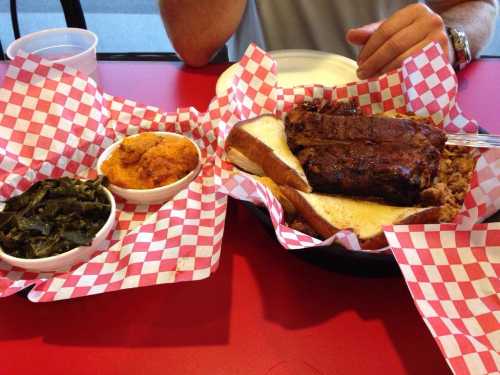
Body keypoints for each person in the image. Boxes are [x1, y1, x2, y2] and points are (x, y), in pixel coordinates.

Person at [158, 0, 498, 78]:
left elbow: (477, 5)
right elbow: (194, 40)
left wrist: (453, 41)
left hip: (396, 105)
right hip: (263, 112)